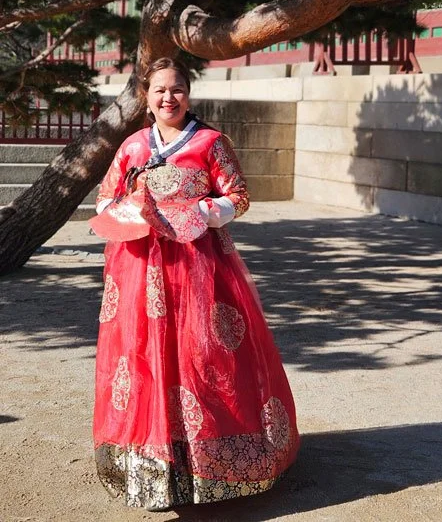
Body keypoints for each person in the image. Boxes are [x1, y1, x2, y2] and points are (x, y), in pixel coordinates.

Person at [91, 57, 300, 510]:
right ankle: (152, 463)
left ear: (189, 93)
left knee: (204, 355)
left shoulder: (209, 142)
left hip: (200, 267)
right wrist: (134, 210)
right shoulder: (130, 148)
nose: (169, 98)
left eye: (177, 89)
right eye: (160, 90)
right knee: (146, 356)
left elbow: (238, 196)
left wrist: (200, 212)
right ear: (145, 97)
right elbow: (106, 199)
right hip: (141, 270)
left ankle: (213, 464)